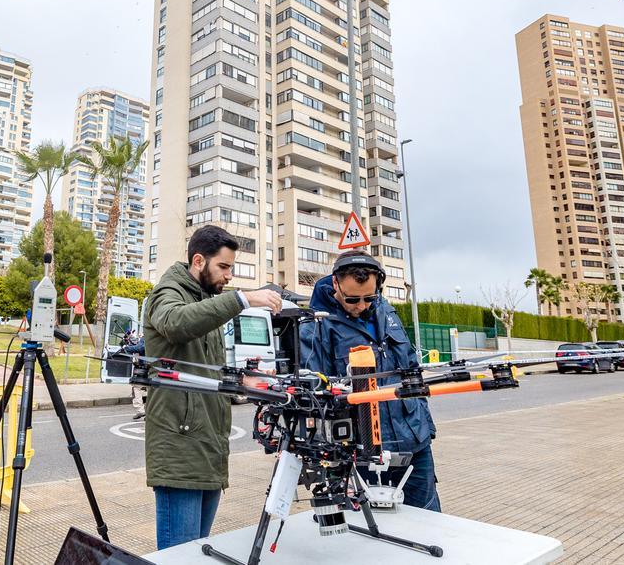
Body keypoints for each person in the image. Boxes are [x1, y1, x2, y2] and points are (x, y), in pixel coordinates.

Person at [143, 225, 282, 550]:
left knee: (198, 551)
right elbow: (175, 324)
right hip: (180, 448)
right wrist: (242, 299)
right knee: (180, 555)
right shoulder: (168, 292)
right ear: (198, 261)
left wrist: (243, 380)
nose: (230, 275)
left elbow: (203, 369)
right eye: (224, 266)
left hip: (209, 445)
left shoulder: (206, 300)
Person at [299, 251, 441, 511]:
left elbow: (411, 369)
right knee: (372, 535)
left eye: (370, 297)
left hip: (415, 442)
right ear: (335, 285)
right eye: (353, 299)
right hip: (362, 453)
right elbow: (316, 394)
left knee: (429, 522)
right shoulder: (316, 327)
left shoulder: (387, 311)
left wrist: (425, 424)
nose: (362, 305)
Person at [120, 329, 147, 420]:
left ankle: (141, 411)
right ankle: (147, 412)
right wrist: (129, 341)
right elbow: (137, 346)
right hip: (150, 367)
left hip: (147, 367)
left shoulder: (146, 337)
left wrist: (125, 347)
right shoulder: (153, 336)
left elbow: (140, 348)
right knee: (149, 390)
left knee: (137, 387)